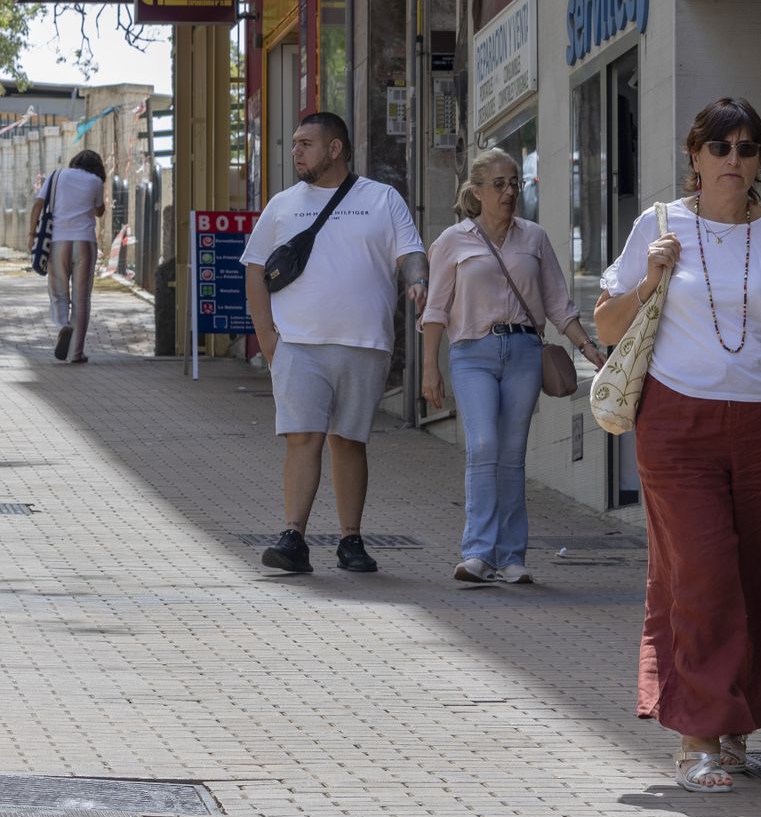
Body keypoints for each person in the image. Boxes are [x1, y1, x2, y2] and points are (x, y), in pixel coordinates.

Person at [594, 97, 761, 795]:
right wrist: (649, 279)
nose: (734, 160)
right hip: (677, 425)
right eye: (720, 148)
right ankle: (696, 735)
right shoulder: (658, 226)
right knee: (700, 572)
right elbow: (607, 326)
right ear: (694, 155)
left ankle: (733, 727)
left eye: (747, 149)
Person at [241, 112, 428, 575]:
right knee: (302, 437)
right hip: (298, 344)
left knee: (348, 441)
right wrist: (268, 338)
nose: (295, 151)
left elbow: (410, 251)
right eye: (295, 143)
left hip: (364, 343)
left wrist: (418, 281)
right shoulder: (282, 205)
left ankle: (350, 539)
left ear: (335, 148)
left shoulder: (382, 199)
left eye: (306, 143)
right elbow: (255, 268)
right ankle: (293, 536)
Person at [420, 148, 604, 584]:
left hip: (523, 352)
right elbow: (435, 310)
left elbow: (558, 302)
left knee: (511, 453)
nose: (509, 192)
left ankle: (511, 556)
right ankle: (478, 552)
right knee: (483, 445)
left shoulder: (534, 238)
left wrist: (588, 347)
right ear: (477, 191)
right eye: (499, 184)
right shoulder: (453, 241)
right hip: (472, 353)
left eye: (515, 183)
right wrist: (431, 367)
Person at [28, 149, 106, 364]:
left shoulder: (56, 175)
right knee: (82, 300)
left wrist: (31, 235)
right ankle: (76, 353)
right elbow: (100, 211)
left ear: (75, 162)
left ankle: (63, 325)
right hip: (85, 244)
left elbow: (37, 205)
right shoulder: (96, 182)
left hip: (57, 242)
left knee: (58, 292)